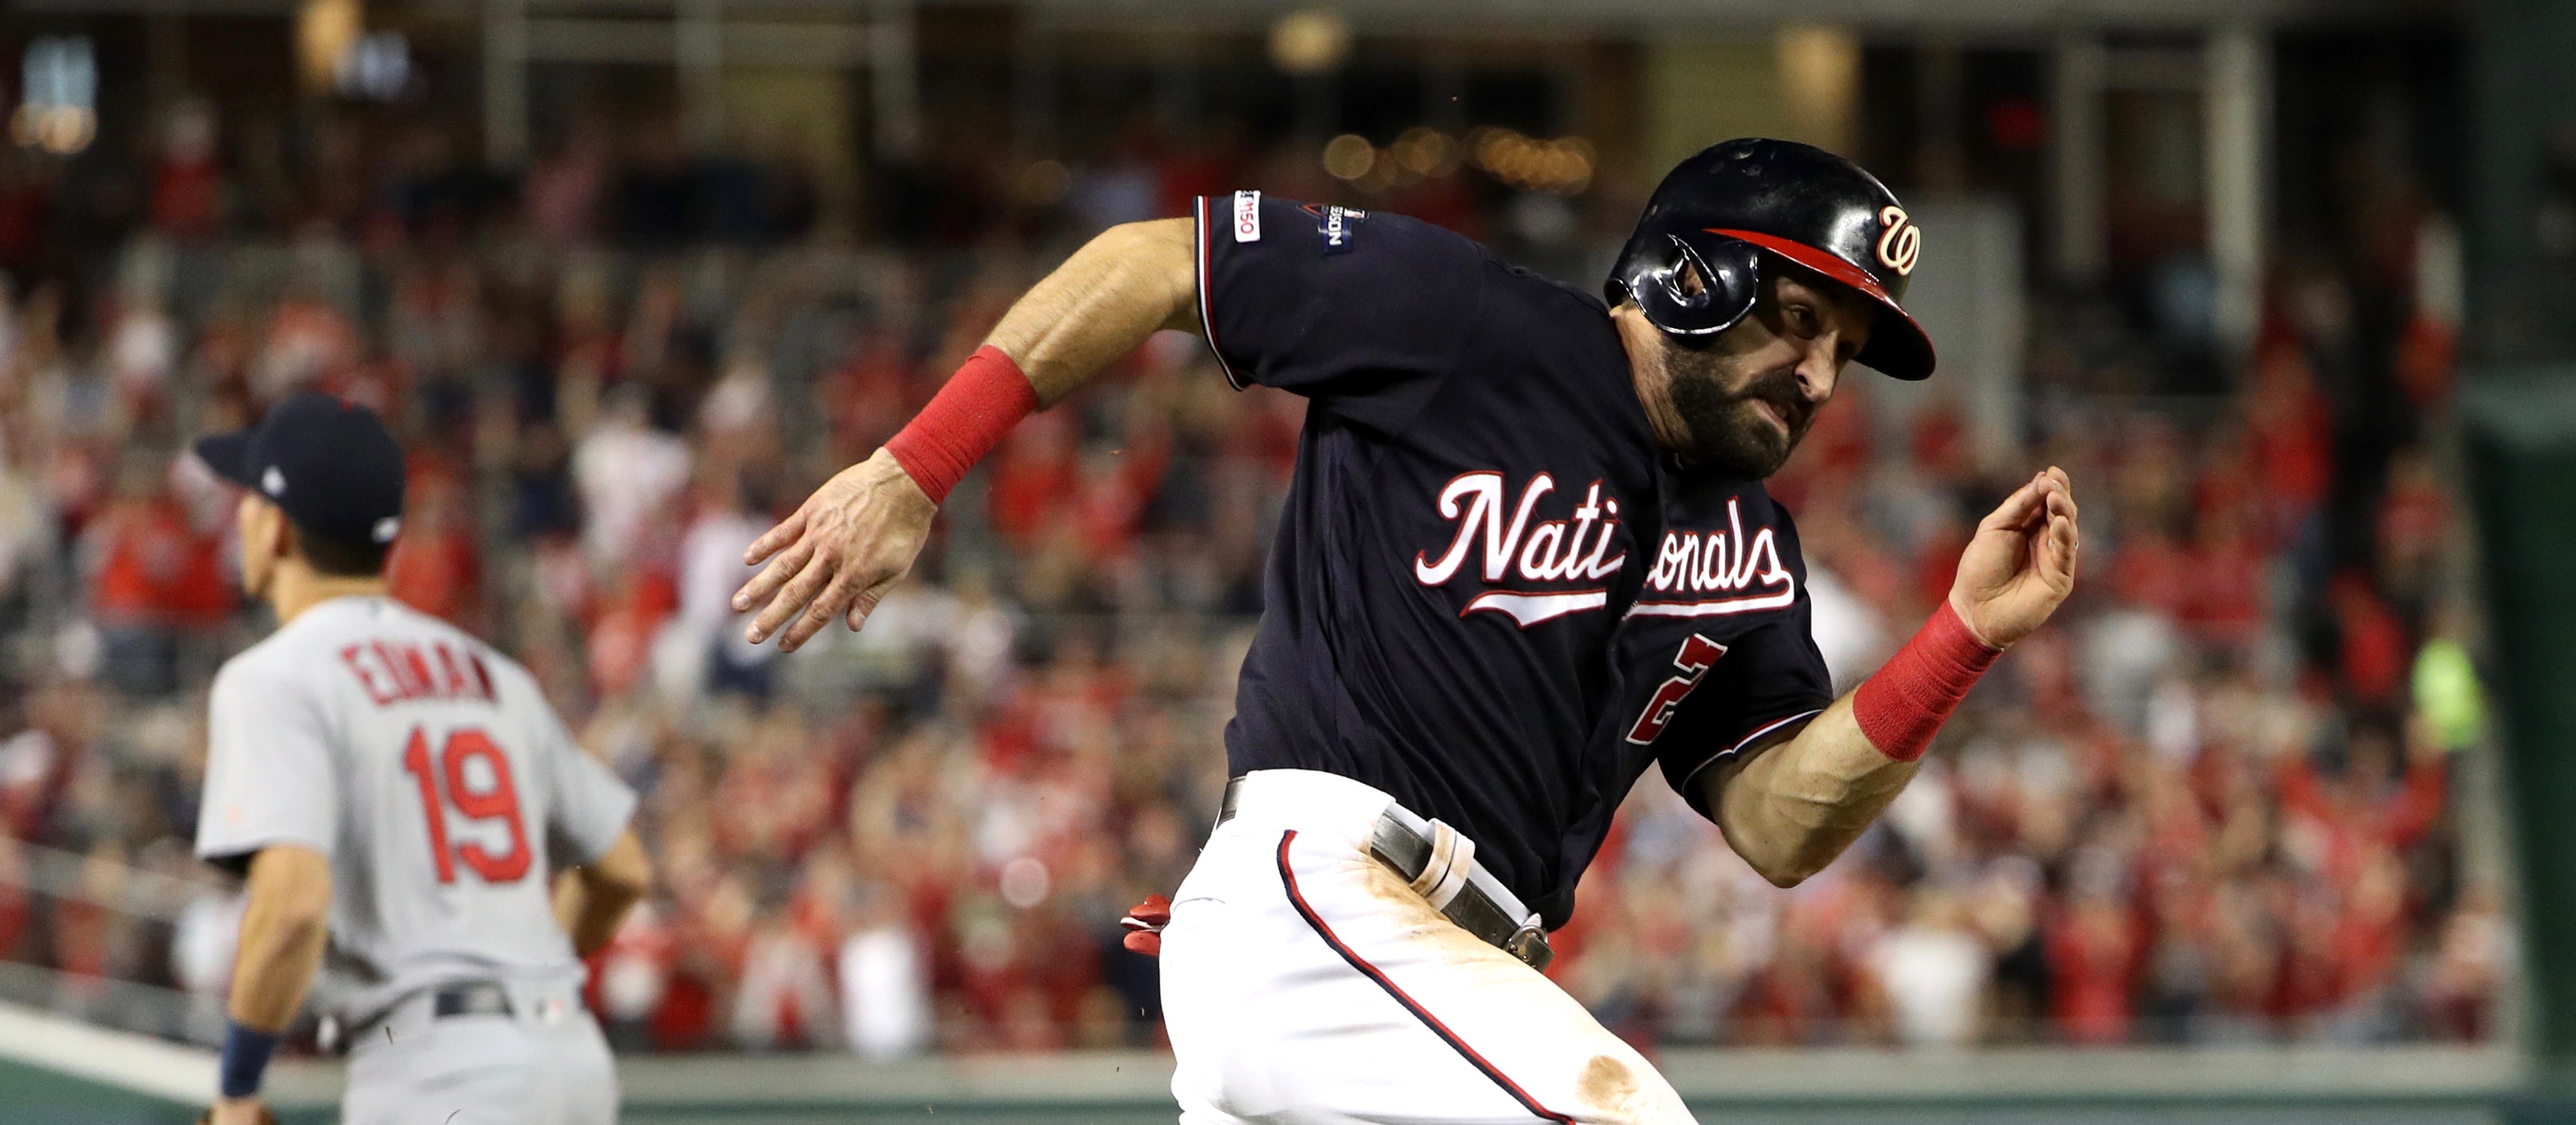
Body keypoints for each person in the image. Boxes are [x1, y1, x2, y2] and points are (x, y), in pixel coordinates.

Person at [736, 139, 2080, 1124]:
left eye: (1844, 349)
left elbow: (1782, 823)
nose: (1819, 373)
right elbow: (1157, 265)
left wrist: (1956, 637)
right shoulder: (1470, 322)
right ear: (1683, 276)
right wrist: (914, 469)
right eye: (1797, 319)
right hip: (1321, 903)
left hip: (1424, 984)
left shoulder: (1747, 539)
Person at [189, 392, 652, 1125]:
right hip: (570, 1060)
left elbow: (293, 905)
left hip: (437, 1071)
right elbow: (622, 869)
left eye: (248, 499)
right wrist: (518, 983)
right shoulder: (493, 672)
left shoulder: (273, 676)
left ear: (276, 527)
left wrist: (238, 1088)